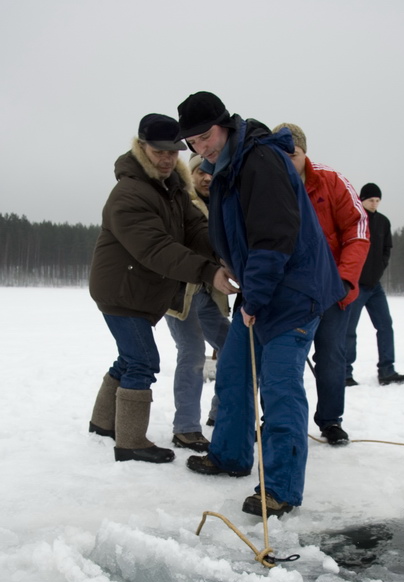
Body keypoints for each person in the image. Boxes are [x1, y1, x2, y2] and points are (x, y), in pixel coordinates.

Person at [175, 91, 345, 517]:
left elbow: (273, 238)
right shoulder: (225, 168)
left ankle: (280, 487)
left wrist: (255, 296)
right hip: (263, 290)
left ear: (224, 124)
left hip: (293, 293)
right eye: (191, 143)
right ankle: (230, 454)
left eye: (205, 136)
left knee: (279, 387)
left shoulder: (259, 161)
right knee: (233, 372)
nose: (200, 148)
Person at [89, 113, 235, 463]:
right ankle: (130, 441)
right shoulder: (130, 193)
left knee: (129, 358)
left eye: (174, 151)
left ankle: (102, 423)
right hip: (120, 293)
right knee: (143, 361)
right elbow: (156, 249)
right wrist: (207, 271)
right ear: (141, 148)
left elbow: (196, 229)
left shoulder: (171, 189)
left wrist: (225, 252)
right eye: (159, 152)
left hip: (138, 292)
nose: (168, 159)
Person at [272, 123, 369, 445]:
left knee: (330, 357)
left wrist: (344, 278)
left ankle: (330, 420)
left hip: (330, 289)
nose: (287, 161)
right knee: (285, 360)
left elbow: (356, 231)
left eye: (293, 154)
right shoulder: (268, 184)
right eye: (280, 154)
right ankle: (277, 419)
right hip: (289, 291)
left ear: (304, 152)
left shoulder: (331, 181)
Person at [163, 152, 230, 452]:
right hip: (180, 293)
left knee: (233, 346)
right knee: (191, 351)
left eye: (210, 172)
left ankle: (222, 413)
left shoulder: (221, 204)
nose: (205, 177)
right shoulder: (179, 203)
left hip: (209, 294)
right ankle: (186, 428)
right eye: (199, 172)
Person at [345, 183, 404, 386]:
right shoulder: (354, 219)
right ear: (361, 200)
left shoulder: (383, 222)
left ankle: (387, 370)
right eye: (370, 200)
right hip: (355, 285)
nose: (374, 204)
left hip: (375, 286)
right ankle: (345, 372)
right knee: (348, 329)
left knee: (385, 326)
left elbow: (386, 250)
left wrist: (379, 269)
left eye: (377, 200)